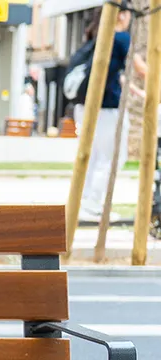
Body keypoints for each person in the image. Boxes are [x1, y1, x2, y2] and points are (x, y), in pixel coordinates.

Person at [78, 7, 148, 224]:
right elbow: (141, 69)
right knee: (113, 157)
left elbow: (116, 75)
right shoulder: (120, 38)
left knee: (94, 157)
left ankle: (87, 202)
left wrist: (139, 92)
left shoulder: (99, 37)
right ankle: (94, 204)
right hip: (108, 108)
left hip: (87, 106)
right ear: (121, 14)